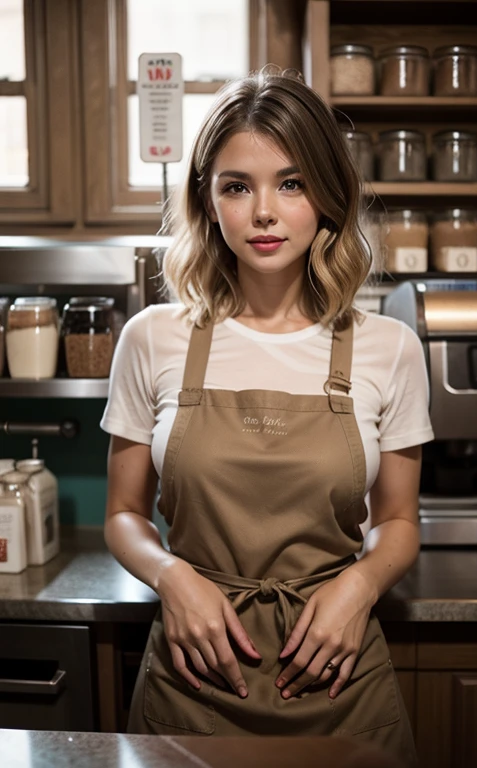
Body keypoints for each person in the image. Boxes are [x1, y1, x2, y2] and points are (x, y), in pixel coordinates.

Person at [100, 67, 434, 766]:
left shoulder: (389, 349)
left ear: (328, 196)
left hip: (338, 679)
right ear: (207, 201)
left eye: (290, 182)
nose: (262, 213)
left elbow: (400, 522)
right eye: (235, 186)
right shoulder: (154, 337)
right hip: (193, 680)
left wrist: (360, 587)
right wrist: (173, 577)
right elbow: (124, 514)